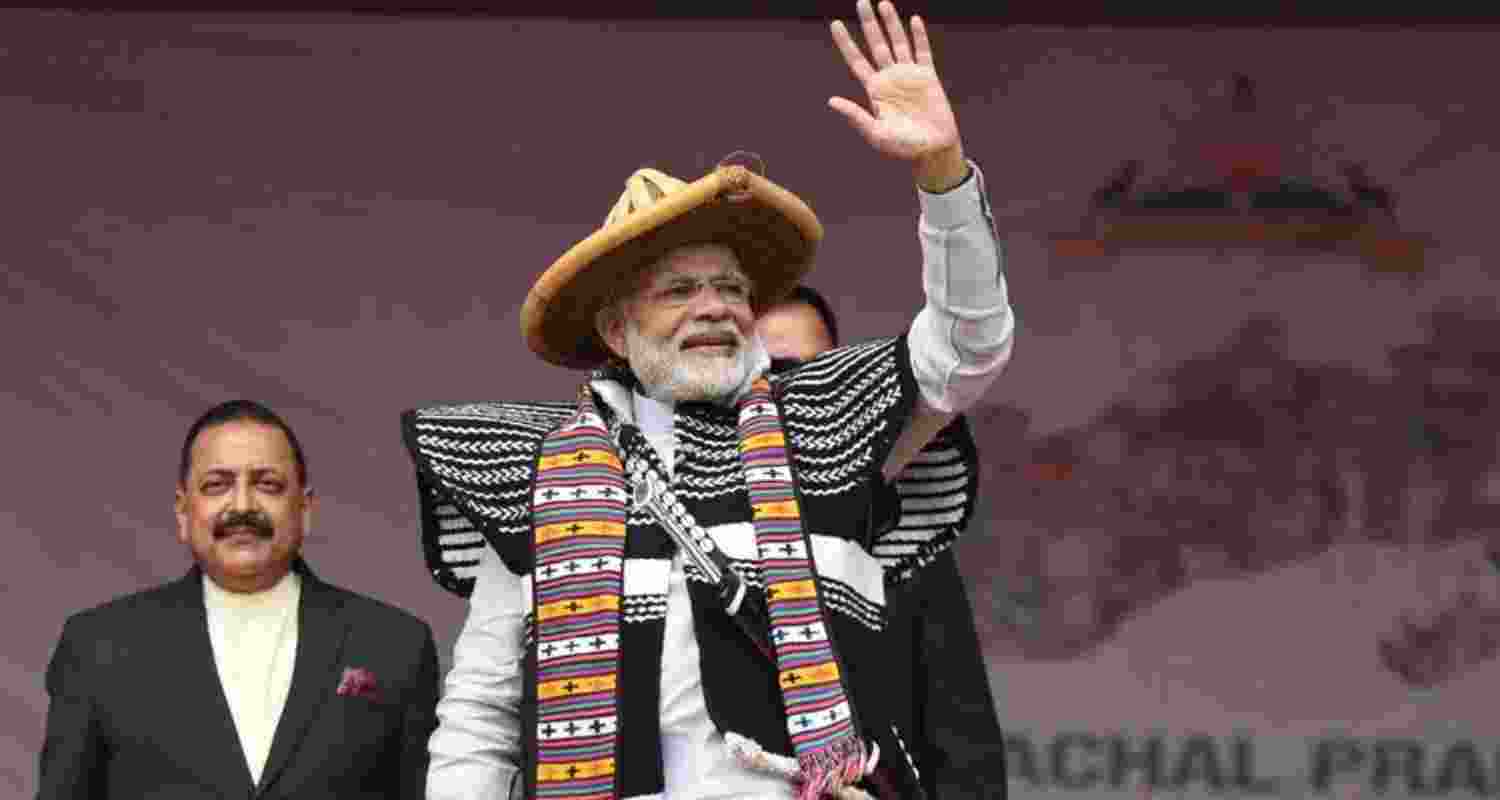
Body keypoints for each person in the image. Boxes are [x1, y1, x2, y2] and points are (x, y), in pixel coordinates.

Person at [405, 2, 1014, 797]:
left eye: (731, 288)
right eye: (680, 290)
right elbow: (481, 718)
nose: (715, 307)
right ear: (617, 329)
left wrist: (943, 176)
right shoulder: (528, 470)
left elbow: (969, 346)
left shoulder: (827, 419)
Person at [37, 400, 439, 800]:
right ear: (183, 511)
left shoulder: (395, 645)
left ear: (305, 508)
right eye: (217, 485)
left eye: (268, 485)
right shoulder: (96, 647)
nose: (243, 505)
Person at [756, 287, 1009, 799]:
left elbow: (963, 745)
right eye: (775, 372)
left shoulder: (900, 530)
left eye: (819, 371)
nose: (796, 390)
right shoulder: (668, 529)